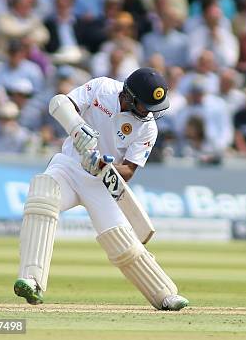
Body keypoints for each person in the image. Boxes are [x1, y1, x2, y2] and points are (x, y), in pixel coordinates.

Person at [13, 67, 189, 311]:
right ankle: (32, 280)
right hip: (69, 166)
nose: (149, 113)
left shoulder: (148, 127)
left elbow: (128, 170)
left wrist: (104, 165)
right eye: (145, 106)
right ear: (129, 96)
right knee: (43, 195)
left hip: (102, 182)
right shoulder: (102, 88)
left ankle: (165, 295)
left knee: (121, 241)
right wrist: (77, 128)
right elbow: (61, 103)